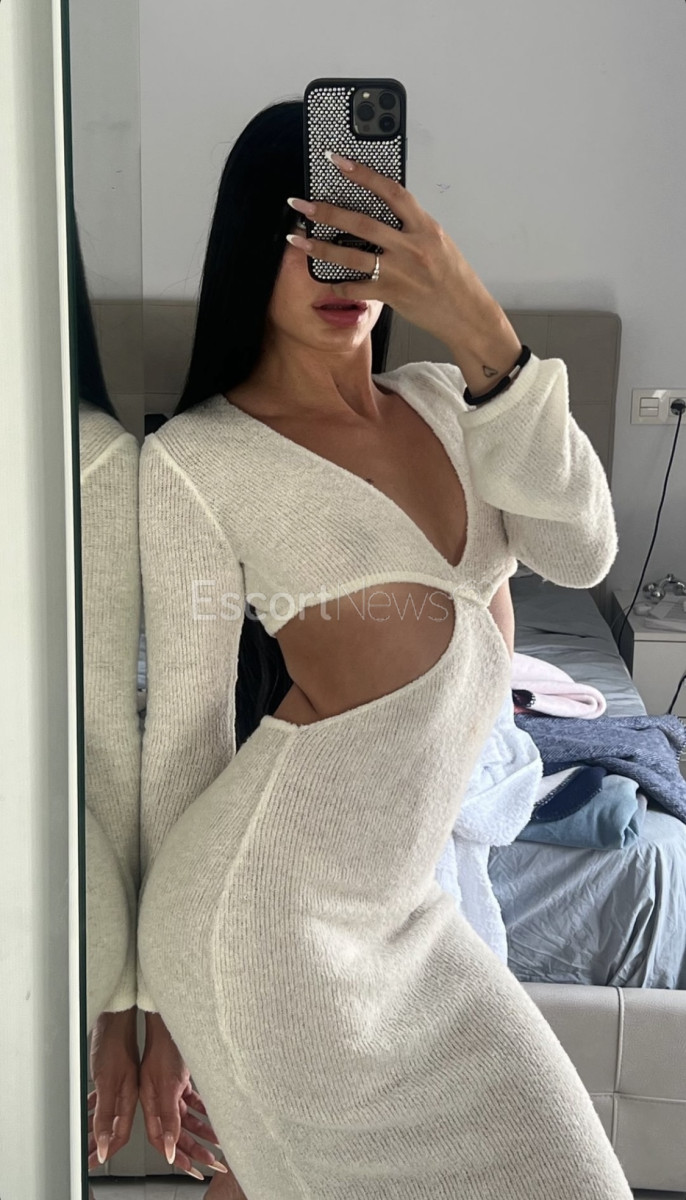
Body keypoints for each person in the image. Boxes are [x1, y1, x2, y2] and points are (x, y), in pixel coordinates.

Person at [135, 100, 631, 1198]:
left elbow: (582, 552)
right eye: (305, 233)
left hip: (413, 923)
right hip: (265, 930)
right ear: (249, 249)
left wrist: (484, 332)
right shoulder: (200, 462)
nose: (338, 262)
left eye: (365, 232)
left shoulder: (455, 403)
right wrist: (157, 1007)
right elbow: (181, 743)